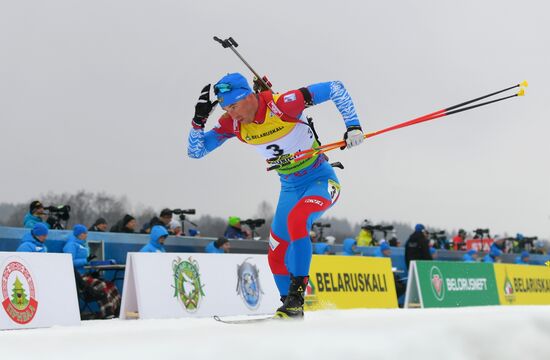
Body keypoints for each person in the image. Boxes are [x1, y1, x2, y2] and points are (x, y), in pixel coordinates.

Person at [188, 73, 364, 318]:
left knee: (297, 220)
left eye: (235, 106)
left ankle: (296, 295)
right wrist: (199, 121)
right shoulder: (232, 124)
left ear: (249, 96)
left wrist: (353, 125)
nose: (232, 113)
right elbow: (196, 151)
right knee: (276, 254)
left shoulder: (284, 104)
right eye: (227, 108)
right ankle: (291, 307)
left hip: (320, 180)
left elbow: (336, 87)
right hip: (290, 187)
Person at [63, 225, 121, 319]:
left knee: (111, 285)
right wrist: (86, 260)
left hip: (87, 274)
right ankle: (107, 311)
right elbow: (69, 261)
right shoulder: (71, 245)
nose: (86, 235)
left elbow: (87, 262)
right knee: (101, 285)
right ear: (78, 234)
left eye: (86, 233)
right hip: (78, 277)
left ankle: (116, 309)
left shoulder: (84, 245)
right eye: (83, 233)